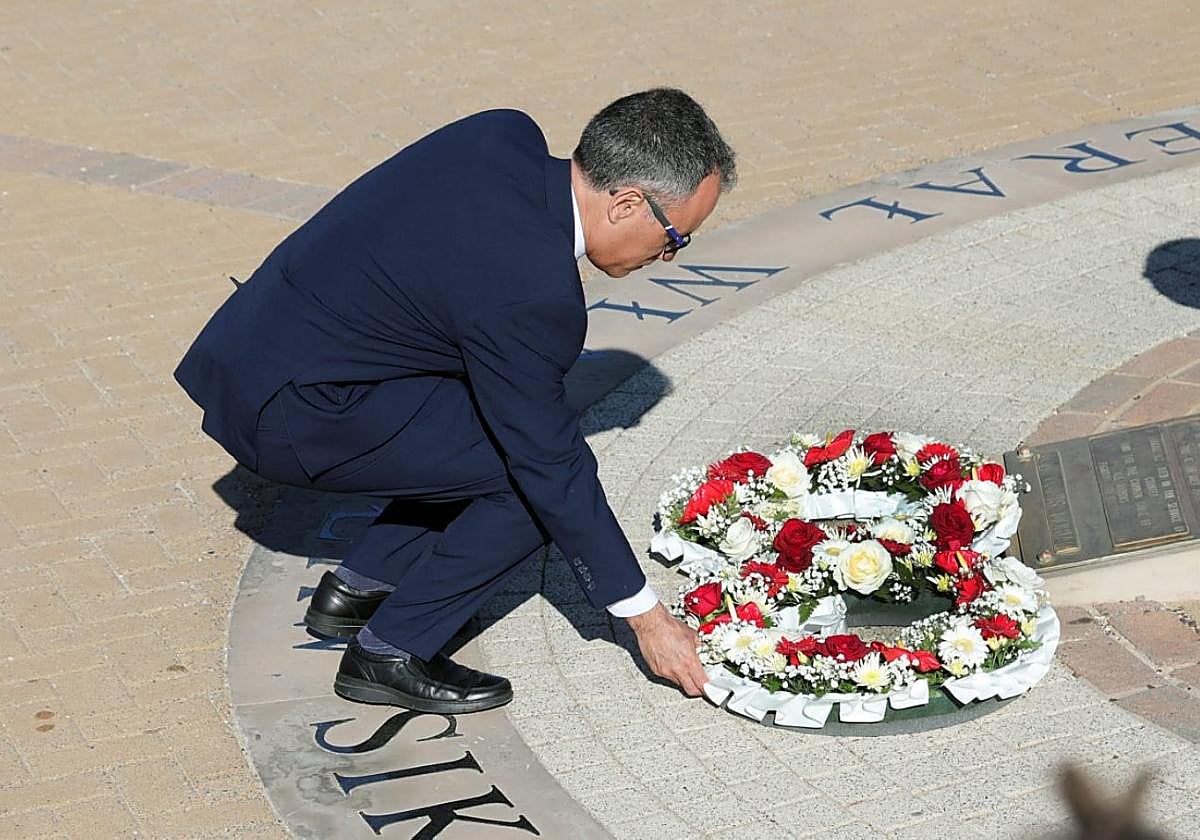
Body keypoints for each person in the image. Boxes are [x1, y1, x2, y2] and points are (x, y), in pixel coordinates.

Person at [175, 88, 737, 714]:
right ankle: (391, 652)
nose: (667, 256)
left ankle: (358, 589)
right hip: (291, 416)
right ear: (626, 202)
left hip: (253, 351)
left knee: (497, 423)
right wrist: (647, 619)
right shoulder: (534, 295)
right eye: (674, 238)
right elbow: (551, 468)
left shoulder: (500, 136)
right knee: (529, 480)